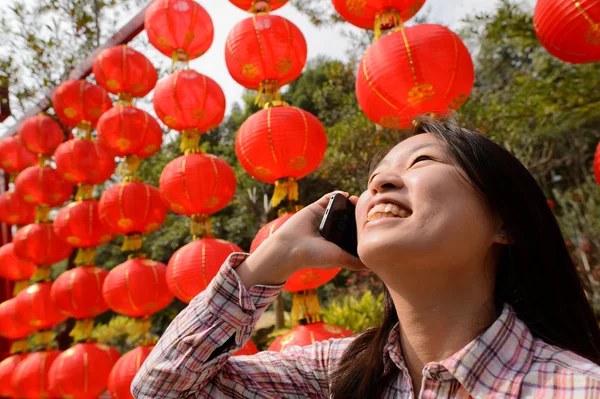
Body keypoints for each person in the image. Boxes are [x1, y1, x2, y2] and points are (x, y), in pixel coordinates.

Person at [131, 116, 600, 398]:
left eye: (422, 162)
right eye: (376, 177)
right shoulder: (335, 376)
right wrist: (271, 259)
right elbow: (161, 389)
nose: (379, 184)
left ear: (505, 223)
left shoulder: (579, 387)